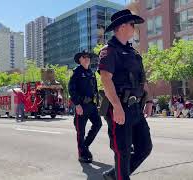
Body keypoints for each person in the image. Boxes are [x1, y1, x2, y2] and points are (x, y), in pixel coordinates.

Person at [98, 9, 153, 180]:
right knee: (122, 152)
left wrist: (149, 100)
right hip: (119, 107)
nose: (134, 27)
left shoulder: (134, 53)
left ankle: (115, 175)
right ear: (122, 26)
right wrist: (117, 107)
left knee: (145, 147)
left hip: (136, 108)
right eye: (132, 24)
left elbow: (143, 80)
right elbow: (106, 80)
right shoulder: (109, 51)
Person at [68, 50, 102, 163]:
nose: (87, 58)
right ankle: (81, 154)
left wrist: (97, 102)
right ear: (80, 60)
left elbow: (95, 89)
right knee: (80, 131)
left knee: (98, 124)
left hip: (91, 106)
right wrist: (77, 104)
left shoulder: (91, 73)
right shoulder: (77, 72)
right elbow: (71, 89)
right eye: (84, 57)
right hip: (81, 105)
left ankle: (85, 146)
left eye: (88, 57)